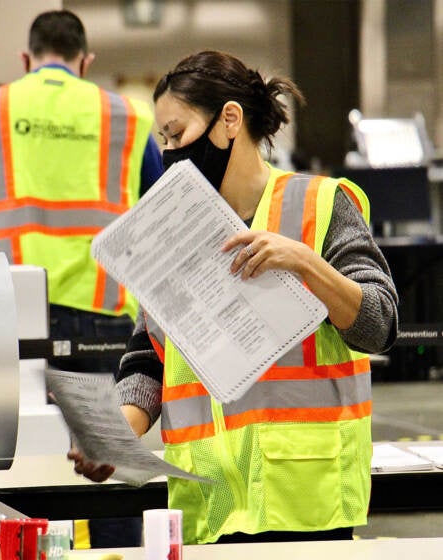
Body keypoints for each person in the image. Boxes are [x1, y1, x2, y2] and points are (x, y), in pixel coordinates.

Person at [69, 50, 399, 545]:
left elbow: (380, 325)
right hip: (208, 506)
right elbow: (148, 362)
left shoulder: (321, 205)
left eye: (177, 134)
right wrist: (114, 436)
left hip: (305, 502)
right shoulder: (170, 231)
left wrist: (306, 262)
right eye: (163, 139)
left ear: (229, 121)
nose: (170, 152)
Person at [0, 9, 164, 375]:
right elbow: (162, 211)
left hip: (6, 307)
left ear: (26, 60)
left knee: (18, 431)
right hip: (100, 313)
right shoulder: (126, 116)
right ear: (85, 63)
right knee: (100, 431)